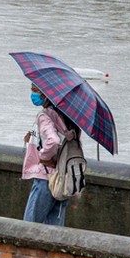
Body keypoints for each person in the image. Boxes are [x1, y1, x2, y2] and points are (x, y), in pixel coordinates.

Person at [22, 84, 79, 225]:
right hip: (62, 178)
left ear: (45, 94)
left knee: (28, 229)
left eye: (35, 90)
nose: (32, 94)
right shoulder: (67, 117)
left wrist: (43, 157)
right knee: (54, 232)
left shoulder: (45, 116)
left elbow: (53, 141)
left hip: (45, 178)